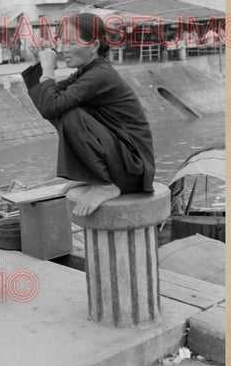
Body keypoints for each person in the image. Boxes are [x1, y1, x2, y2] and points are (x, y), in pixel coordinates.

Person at [21, 12, 155, 216]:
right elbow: (47, 104)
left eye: (72, 42)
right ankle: (94, 176)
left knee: (69, 113)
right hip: (123, 165)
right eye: (64, 41)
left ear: (94, 45)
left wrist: (48, 70)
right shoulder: (86, 73)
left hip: (134, 170)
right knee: (62, 108)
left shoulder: (100, 75)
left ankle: (105, 185)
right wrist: (36, 65)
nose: (65, 48)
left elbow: (51, 105)